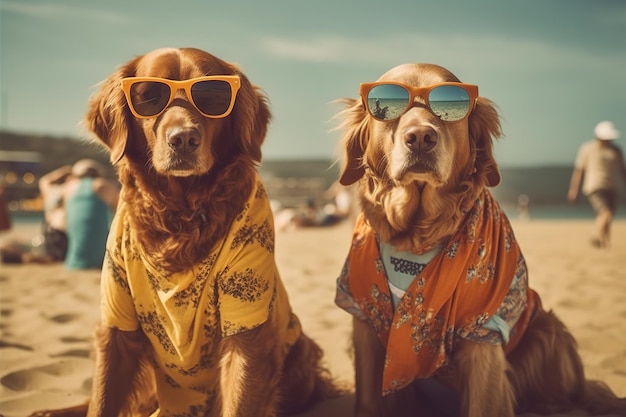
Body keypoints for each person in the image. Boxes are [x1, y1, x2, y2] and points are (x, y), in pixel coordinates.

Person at [568, 121, 626, 248]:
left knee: (606, 216)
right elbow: (579, 171)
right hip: (594, 186)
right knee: (606, 213)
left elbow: (623, 170)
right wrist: (574, 190)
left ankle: (605, 242)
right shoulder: (587, 149)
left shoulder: (616, 151)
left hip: (612, 186)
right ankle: (596, 236)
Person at [62, 159, 119, 269]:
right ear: (98, 173)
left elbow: (67, 220)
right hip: (100, 260)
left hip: (73, 261)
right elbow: (118, 215)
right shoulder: (102, 185)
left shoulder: (68, 188)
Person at [38, 164, 72, 261]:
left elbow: (44, 180)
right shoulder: (66, 191)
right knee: (60, 257)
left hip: (49, 229)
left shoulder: (51, 191)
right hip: (61, 230)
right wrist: (66, 171)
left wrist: (63, 172)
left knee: (54, 257)